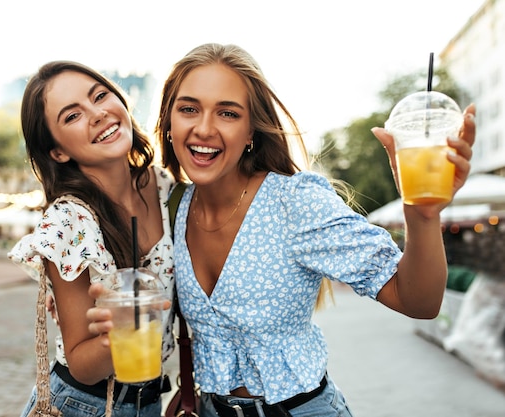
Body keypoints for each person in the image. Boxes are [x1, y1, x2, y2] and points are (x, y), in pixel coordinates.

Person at [149, 43, 475, 417]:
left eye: (228, 113)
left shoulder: (295, 202)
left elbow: (419, 301)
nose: (204, 128)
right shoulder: (171, 204)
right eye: (189, 108)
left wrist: (422, 216)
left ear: (251, 130)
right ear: (169, 121)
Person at [8, 60, 176, 417]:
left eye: (100, 95)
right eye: (72, 116)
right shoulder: (68, 223)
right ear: (58, 152)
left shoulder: (166, 188)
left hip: (150, 402)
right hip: (83, 404)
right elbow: (82, 363)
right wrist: (120, 332)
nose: (97, 114)